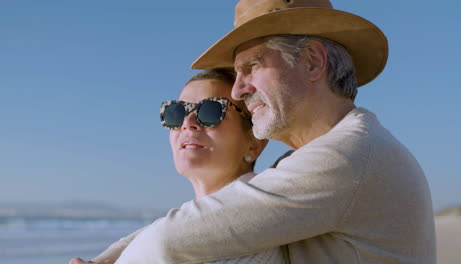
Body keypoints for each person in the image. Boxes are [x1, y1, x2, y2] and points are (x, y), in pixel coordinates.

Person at [109, 0, 436, 264]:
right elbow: (204, 215)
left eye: (251, 66)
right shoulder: (342, 150)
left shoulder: (346, 155)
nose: (237, 90)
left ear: (311, 62)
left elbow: (169, 240)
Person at [69, 68, 292, 264]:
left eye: (210, 111)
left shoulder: (251, 228)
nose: (188, 124)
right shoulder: (182, 227)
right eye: (176, 113)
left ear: (255, 143)